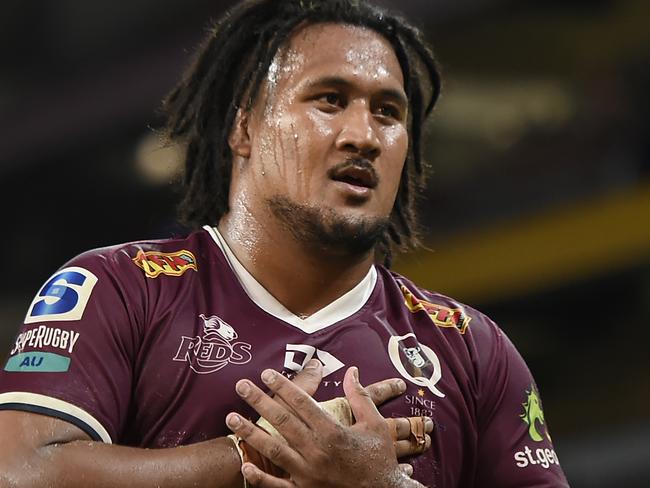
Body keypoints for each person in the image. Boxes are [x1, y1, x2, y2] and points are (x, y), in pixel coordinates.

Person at [0, 0, 570, 487]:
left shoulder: (474, 350)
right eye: (328, 99)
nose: (363, 135)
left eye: (388, 113)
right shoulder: (120, 290)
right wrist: (254, 453)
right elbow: (20, 470)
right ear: (243, 128)